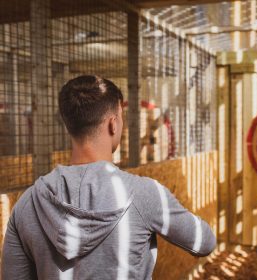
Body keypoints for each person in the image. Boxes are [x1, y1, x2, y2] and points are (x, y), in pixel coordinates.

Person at [1, 75, 216, 279]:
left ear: (69, 125)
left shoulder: (28, 203)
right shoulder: (145, 194)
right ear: (113, 124)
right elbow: (204, 242)